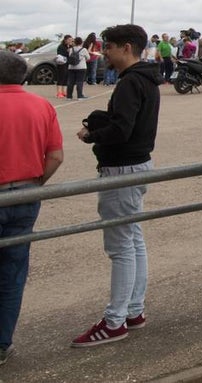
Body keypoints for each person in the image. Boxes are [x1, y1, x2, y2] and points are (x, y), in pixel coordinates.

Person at [72, 24, 161, 348]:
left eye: (108, 46)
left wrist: (91, 134)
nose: (104, 52)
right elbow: (129, 122)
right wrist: (99, 119)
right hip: (136, 165)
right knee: (132, 240)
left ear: (126, 48)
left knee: (121, 245)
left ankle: (114, 321)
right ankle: (133, 311)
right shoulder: (145, 80)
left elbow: (122, 129)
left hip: (122, 168)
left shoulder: (130, 82)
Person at [0, 51, 65, 366]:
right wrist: (35, 183)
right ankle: (2, 344)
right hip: (26, 195)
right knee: (12, 272)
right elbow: (55, 157)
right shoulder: (42, 106)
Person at [55, 34, 73, 99]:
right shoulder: (61, 46)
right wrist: (67, 52)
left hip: (68, 64)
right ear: (65, 40)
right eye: (69, 40)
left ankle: (64, 92)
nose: (71, 41)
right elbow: (60, 55)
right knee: (61, 77)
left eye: (71, 40)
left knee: (66, 78)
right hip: (62, 64)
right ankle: (59, 92)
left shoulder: (71, 46)